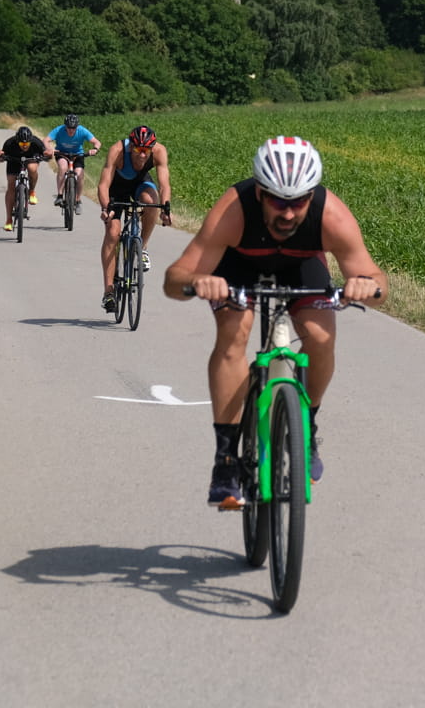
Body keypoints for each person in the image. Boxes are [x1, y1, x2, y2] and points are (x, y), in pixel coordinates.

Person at [162, 136, 388, 509]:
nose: (288, 214)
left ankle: (306, 427)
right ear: (260, 193)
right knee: (234, 333)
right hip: (239, 267)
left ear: (311, 195)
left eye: (298, 202)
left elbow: (377, 279)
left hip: (301, 267)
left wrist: (366, 286)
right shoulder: (233, 211)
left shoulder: (331, 215)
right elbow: (175, 278)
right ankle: (226, 460)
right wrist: (198, 281)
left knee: (320, 337)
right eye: (278, 202)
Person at [96, 125, 172, 311]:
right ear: (131, 147)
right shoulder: (118, 151)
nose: (143, 155)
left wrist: (166, 209)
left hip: (140, 183)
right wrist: (106, 208)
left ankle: (142, 247)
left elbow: (164, 184)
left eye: (147, 150)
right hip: (117, 188)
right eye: (138, 150)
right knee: (113, 233)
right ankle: (109, 291)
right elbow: (103, 184)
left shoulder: (159, 151)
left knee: (151, 202)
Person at [0, 125, 50, 232]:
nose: (24, 146)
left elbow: (47, 155)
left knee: (32, 169)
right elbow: (1, 159)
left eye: (27, 144)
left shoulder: (36, 142)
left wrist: (48, 154)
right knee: (11, 185)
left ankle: (32, 192)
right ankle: (9, 220)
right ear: (17, 141)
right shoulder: (10, 143)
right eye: (21, 144)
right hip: (14, 162)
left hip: (31, 159)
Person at [44, 114, 101, 212]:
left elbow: (97, 142)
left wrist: (95, 149)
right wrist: (49, 149)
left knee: (79, 174)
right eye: (68, 128)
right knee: (63, 167)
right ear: (65, 126)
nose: (71, 130)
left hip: (77, 154)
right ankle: (60, 195)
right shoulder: (59, 130)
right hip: (62, 153)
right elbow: (46, 140)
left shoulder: (82, 130)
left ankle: (77, 200)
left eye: (73, 128)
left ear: (77, 127)